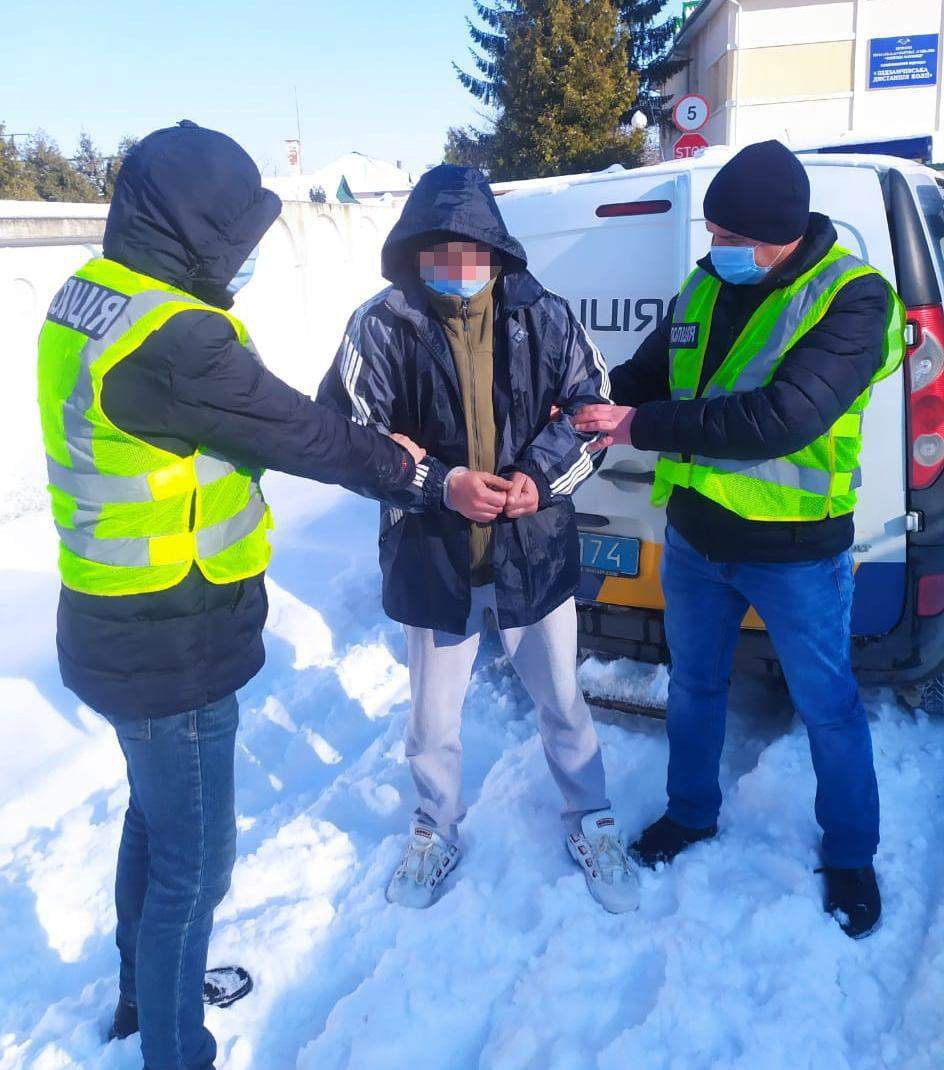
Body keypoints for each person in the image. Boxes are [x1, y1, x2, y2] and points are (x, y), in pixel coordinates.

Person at [36, 121, 423, 1070]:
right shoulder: (174, 339)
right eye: (237, 238)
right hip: (173, 634)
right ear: (194, 229)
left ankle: (143, 1000)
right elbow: (297, 432)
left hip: (110, 617)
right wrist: (398, 466)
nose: (246, 256)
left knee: (152, 823)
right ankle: (175, 1047)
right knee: (194, 869)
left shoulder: (94, 298)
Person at [574, 140, 905, 939]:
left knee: (828, 706)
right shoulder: (707, 280)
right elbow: (652, 370)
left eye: (729, 236)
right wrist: (588, 402)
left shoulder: (855, 301)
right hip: (694, 540)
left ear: (780, 234)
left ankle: (852, 853)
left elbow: (783, 419)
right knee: (694, 687)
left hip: (795, 551)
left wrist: (637, 425)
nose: (714, 247)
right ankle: (691, 815)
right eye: (712, 232)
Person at [317, 164, 639, 913]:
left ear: (497, 249)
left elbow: (592, 415)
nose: (458, 269)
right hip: (434, 556)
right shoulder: (381, 324)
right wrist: (441, 485)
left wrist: (539, 478)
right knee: (432, 721)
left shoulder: (544, 315)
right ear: (415, 250)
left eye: (474, 252)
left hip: (534, 552)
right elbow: (346, 440)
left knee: (563, 700)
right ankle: (434, 826)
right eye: (440, 252)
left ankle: (589, 816)